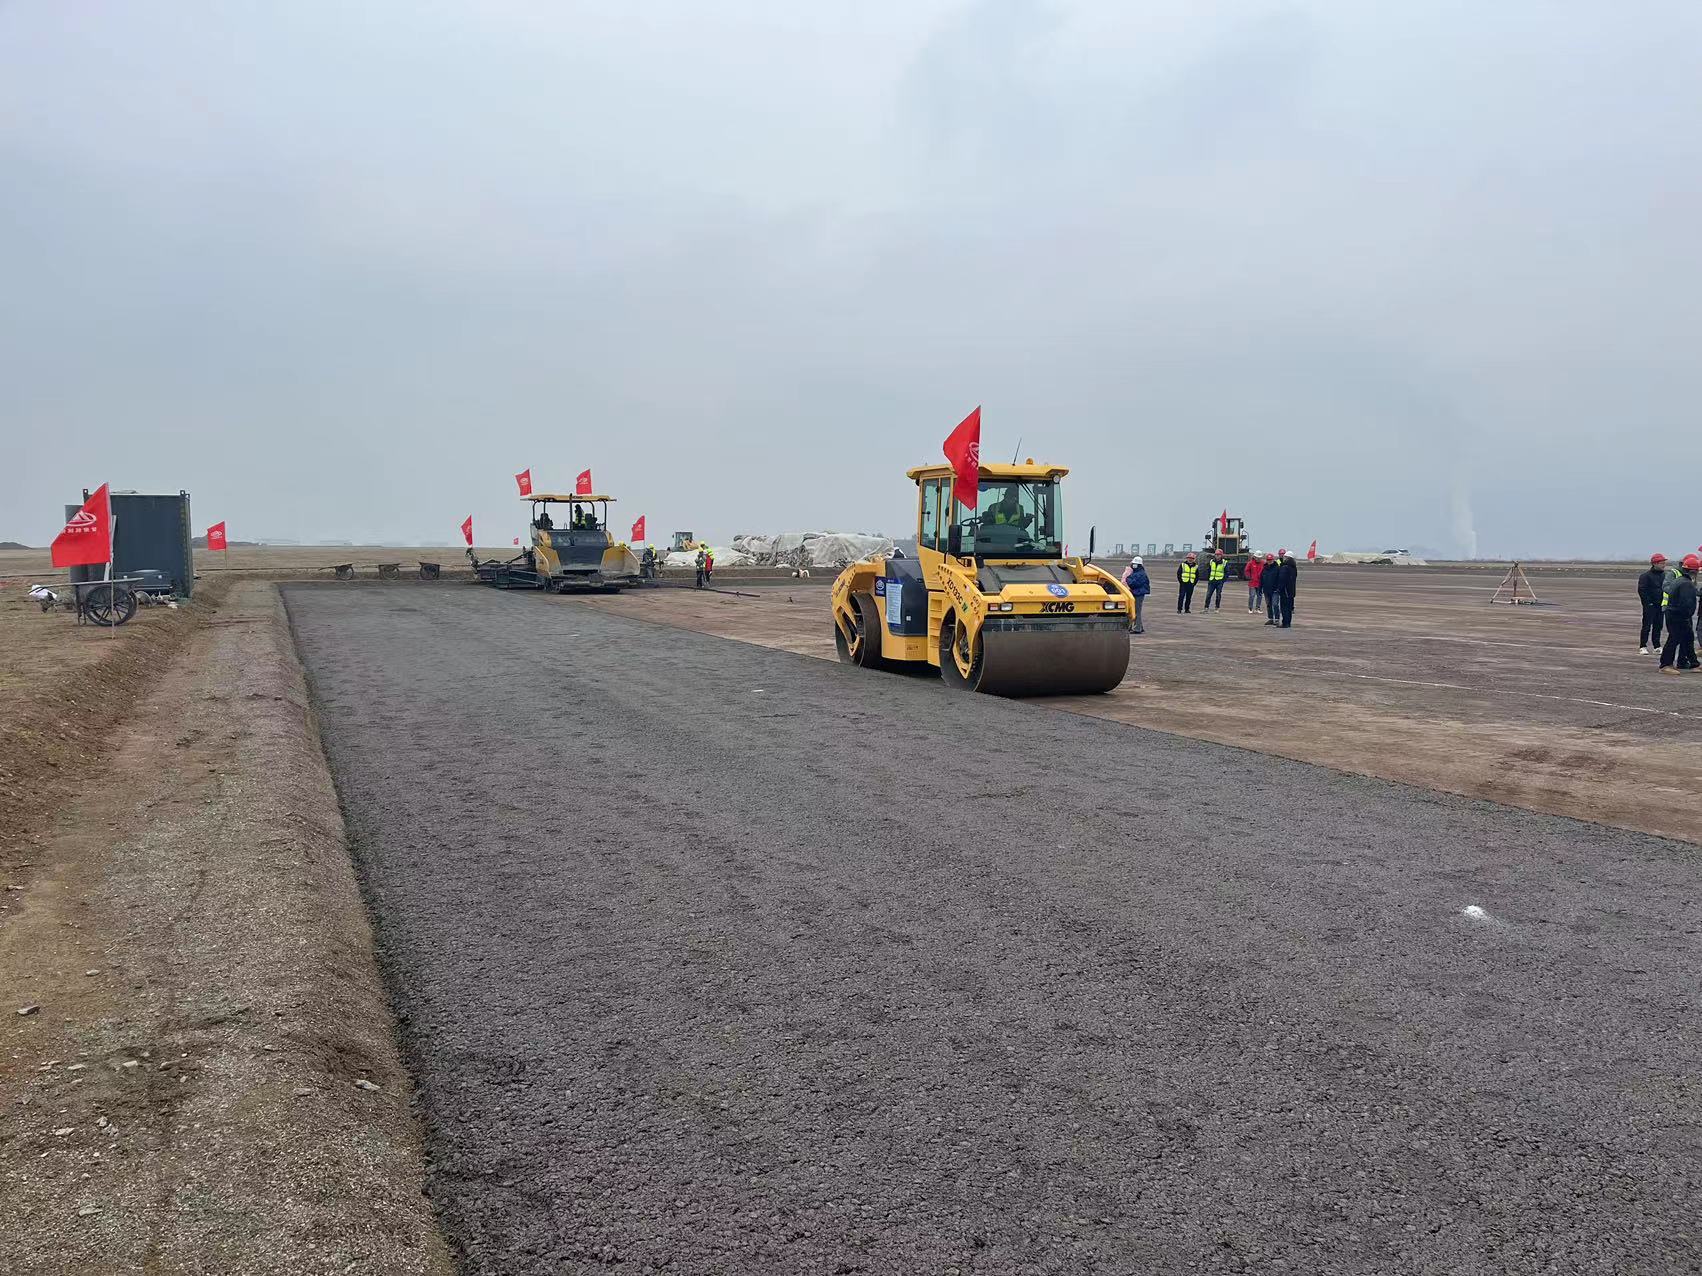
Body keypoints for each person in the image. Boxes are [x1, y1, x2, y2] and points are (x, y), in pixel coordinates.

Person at [1659, 554, 1699, 673]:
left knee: (1688, 638)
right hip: (1678, 615)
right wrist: (1686, 615)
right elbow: (1686, 602)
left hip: (1676, 614)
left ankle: (1694, 664)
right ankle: (1665, 665)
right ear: (1693, 571)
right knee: (1674, 639)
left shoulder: (1681, 580)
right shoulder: (1686, 583)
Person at [1638, 553, 1668, 654]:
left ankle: (1657, 646)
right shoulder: (1645, 576)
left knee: (1658, 626)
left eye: (1664, 563)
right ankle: (1643, 646)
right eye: (1662, 563)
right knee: (1646, 626)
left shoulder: (1665, 575)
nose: (1664, 565)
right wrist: (1648, 603)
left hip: (1661, 605)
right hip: (1650, 606)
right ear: (1654, 563)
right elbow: (1642, 591)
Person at [1122, 555, 1151, 634]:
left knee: (1136, 611)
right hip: (1137, 593)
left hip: (1138, 594)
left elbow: (1133, 583)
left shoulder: (1140, 574)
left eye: (1133, 564)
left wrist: (1127, 579)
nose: (1132, 565)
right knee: (1136, 611)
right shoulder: (1138, 573)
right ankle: (1139, 627)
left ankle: (1137, 628)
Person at [1275, 548, 1298, 628]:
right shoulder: (1293, 567)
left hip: (1285, 591)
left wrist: (1279, 588)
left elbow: (1282, 579)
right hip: (1291, 590)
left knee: (1284, 607)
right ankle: (1288, 622)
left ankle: (1285, 623)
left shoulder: (1285, 567)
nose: (1282, 556)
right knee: (1289, 608)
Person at [1260, 552, 1280, 624]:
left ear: (1273, 560)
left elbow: (1280, 579)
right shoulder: (1264, 568)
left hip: (1275, 590)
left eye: (1270, 560)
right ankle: (1271, 618)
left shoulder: (1277, 568)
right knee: (1269, 605)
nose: (1269, 561)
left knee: (1275, 604)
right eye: (1268, 560)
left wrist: (1278, 588)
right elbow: (1261, 579)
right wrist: (1260, 588)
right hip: (1266, 590)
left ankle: (1277, 619)